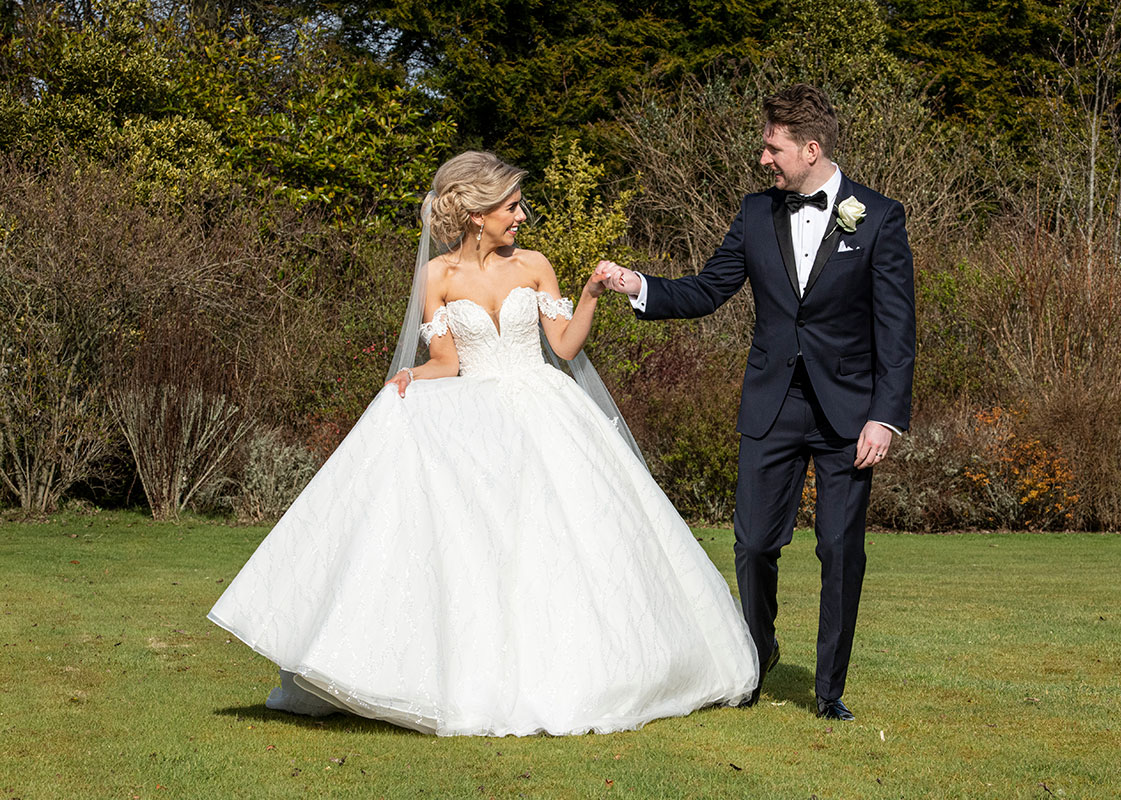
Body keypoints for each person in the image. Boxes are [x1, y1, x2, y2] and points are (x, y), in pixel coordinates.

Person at [207, 150, 758, 737]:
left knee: (566, 539)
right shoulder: (436, 276)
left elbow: (565, 349)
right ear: (476, 214)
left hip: (546, 411)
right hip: (479, 422)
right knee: (484, 544)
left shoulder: (535, 266)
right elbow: (446, 361)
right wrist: (408, 378)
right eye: (511, 207)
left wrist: (593, 291)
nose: (521, 216)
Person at [599, 84, 916, 720]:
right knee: (754, 544)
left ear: (811, 148)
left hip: (848, 417)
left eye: (772, 148)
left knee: (838, 549)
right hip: (771, 405)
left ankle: (829, 693)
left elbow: (897, 329)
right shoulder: (753, 215)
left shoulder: (878, 218)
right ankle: (755, 655)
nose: (763, 158)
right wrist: (639, 286)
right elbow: (706, 290)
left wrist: (885, 416)